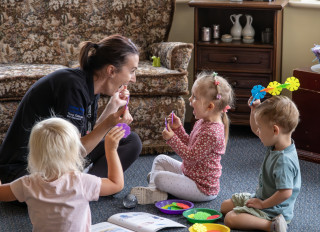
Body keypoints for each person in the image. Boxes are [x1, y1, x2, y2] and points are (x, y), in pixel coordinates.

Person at [0, 34, 142, 185]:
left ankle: (82, 189)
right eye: (132, 70)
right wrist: (108, 123)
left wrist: (112, 107)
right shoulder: (71, 87)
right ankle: (79, 190)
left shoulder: (89, 85)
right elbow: (74, 152)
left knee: (131, 140)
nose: (133, 78)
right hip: (23, 172)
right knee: (60, 179)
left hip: (55, 161)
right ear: (111, 71)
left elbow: (85, 135)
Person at [0, 117, 125, 231]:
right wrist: (111, 150)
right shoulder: (81, 182)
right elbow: (116, 184)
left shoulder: (27, 184)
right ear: (74, 151)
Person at [130, 72, 234, 204]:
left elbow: (190, 157)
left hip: (201, 188)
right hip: (190, 173)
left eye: (194, 97)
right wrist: (178, 129)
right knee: (160, 159)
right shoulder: (203, 121)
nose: (190, 100)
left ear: (210, 106)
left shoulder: (212, 132)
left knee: (159, 178)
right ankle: (155, 191)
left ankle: (157, 187)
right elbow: (191, 144)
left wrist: (172, 139)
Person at [220, 95, 301, 232]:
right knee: (224, 206)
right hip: (262, 197)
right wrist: (254, 109)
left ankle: (272, 226)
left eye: (261, 128)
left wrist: (262, 204)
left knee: (230, 218)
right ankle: (258, 210)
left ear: (275, 130)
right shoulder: (278, 142)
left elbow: (286, 193)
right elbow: (254, 128)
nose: (258, 132)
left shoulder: (284, 160)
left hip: (274, 209)